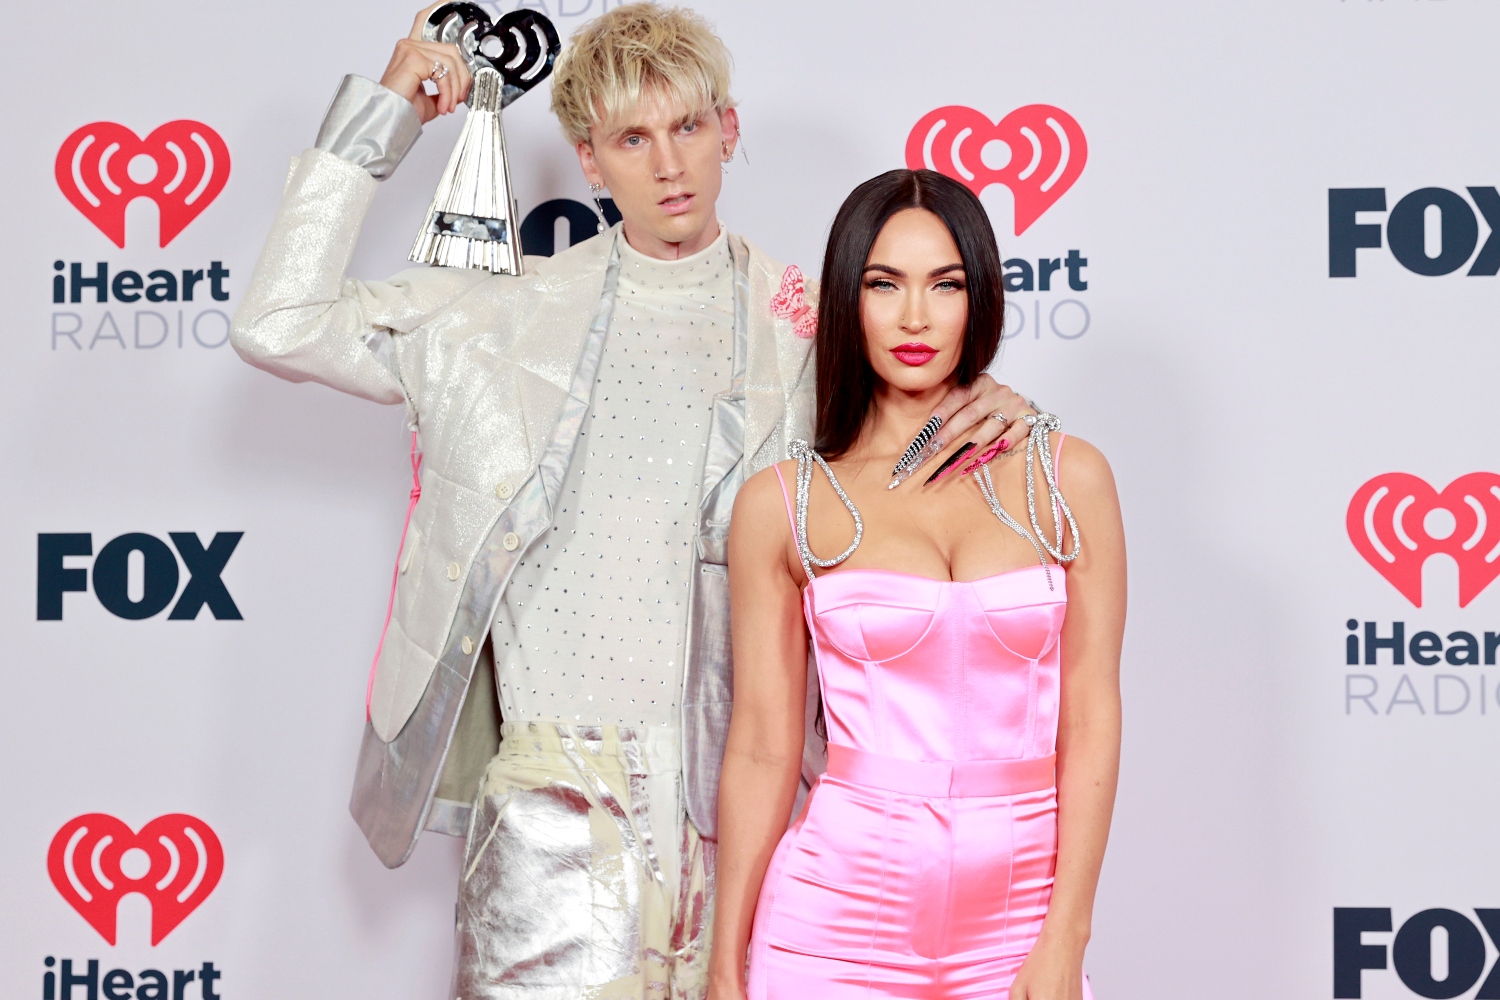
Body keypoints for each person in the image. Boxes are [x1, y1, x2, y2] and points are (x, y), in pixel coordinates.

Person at [231, 3, 1045, 996]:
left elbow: (913, 460)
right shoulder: (494, 320)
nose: (670, 165)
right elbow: (280, 321)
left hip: (751, 816)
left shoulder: (807, 333)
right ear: (588, 160)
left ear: (729, 132)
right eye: (633, 137)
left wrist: (985, 401)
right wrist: (384, 114)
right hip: (548, 813)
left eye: (690, 128)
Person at [710, 169, 1125, 1000]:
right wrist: (726, 964)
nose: (913, 317)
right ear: (846, 299)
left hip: (1017, 925)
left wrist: (1067, 931)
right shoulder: (781, 505)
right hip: (830, 924)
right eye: (883, 284)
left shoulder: (1068, 479)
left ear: (981, 299)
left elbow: (1092, 712)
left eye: (945, 285)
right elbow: (761, 746)